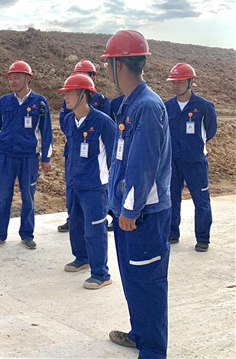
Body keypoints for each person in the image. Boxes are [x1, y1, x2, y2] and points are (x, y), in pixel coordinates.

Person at [102, 30, 171, 359]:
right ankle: (140, 334)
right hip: (128, 211)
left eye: (108, 63)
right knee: (133, 279)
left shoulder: (146, 106)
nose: (105, 69)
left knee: (148, 283)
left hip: (144, 215)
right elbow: (123, 161)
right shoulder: (131, 104)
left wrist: (129, 210)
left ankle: (153, 350)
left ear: (118, 65)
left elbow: (143, 165)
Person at [58, 73, 115, 289]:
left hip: (94, 187)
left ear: (83, 95)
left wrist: (111, 185)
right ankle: (82, 258)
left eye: (70, 93)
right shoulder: (68, 120)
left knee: (95, 229)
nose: (65, 97)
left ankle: (101, 273)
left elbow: (114, 157)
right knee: (76, 224)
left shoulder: (103, 122)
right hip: (74, 183)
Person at [0, 60, 53, 249]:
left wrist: (46, 158)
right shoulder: (4, 101)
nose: (13, 81)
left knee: (28, 197)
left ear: (28, 78)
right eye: (10, 78)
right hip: (6, 156)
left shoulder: (40, 102)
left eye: (17, 77)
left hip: (29, 157)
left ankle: (27, 234)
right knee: (3, 196)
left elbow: (47, 132)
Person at [165, 63, 217, 252]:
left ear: (190, 82)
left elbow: (210, 131)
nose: (176, 85)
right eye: (174, 82)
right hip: (173, 161)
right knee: (171, 199)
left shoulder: (204, 107)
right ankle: (172, 233)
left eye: (180, 81)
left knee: (201, 201)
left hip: (195, 162)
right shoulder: (167, 107)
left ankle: (202, 238)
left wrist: (194, 147)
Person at [57, 59, 111, 233]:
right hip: (74, 158)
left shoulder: (101, 103)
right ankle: (72, 219)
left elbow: (110, 147)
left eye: (84, 74)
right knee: (76, 215)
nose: (66, 96)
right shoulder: (69, 110)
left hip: (94, 167)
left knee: (94, 225)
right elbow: (65, 124)